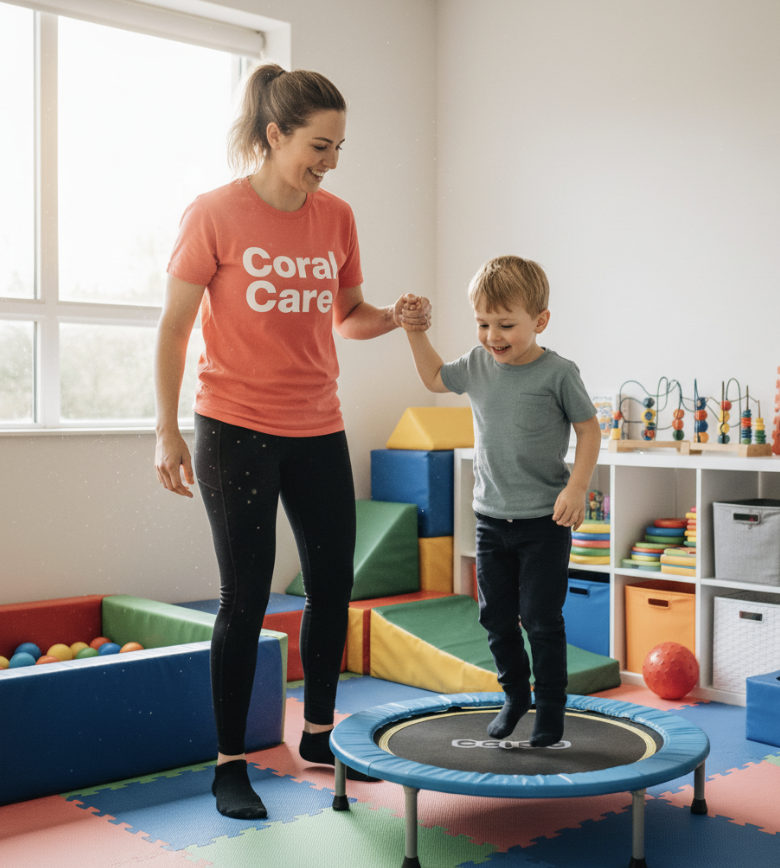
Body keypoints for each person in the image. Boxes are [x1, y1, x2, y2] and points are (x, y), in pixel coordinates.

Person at [154, 62, 429, 820]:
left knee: (332, 584)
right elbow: (175, 328)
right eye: (318, 145)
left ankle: (317, 736)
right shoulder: (213, 213)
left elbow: (347, 315)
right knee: (244, 599)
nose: (330, 161)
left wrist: (395, 318)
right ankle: (229, 763)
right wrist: (167, 430)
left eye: (339, 147)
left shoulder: (335, 216)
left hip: (317, 425)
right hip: (233, 426)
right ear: (274, 136)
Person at [401, 256, 600, 747]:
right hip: (490, 519)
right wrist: (413, 331)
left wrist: (577, 487)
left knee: (541, 618)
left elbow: (589, 429)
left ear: (540, 321)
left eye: (506, 324)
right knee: (494, 616)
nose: (493, 335)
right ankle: (515, 694)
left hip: (543, 522)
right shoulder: (477, 363)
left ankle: (551, 705)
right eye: (483, 323)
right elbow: (433, 378)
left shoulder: (558, 372)